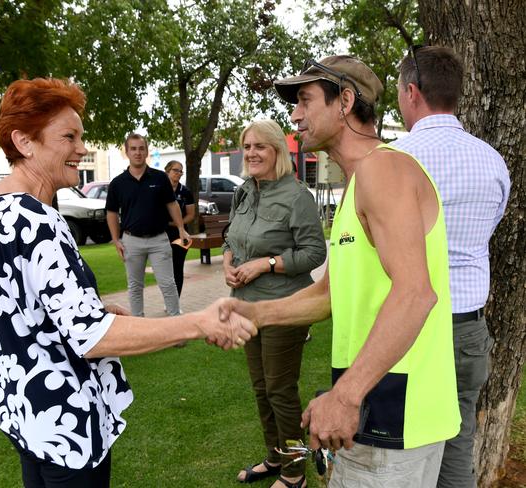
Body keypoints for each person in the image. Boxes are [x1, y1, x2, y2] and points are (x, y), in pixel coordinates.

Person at [0, 77, 257, 488]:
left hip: (25, 411)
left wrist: (91, 305)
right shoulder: (34, 219)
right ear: (24, 141)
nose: (82, 149)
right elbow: (90, 338)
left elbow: (17, 304)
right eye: (68, 137)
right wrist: (199, 322)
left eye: (81, 137)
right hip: (62, 418)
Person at [219, 55, 461, 487]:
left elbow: (415, 294)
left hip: (393, 409)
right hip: (376, 403)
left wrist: (346, 395)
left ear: (345, 101)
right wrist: (253, 315)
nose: (294, 114)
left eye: (305, 100)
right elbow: (329, 294)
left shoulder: (383, 170)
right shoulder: (358, 183)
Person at [392, 46, 510, 488]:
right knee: (458, 442)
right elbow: (488, 230)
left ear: (411, 92)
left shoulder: (396, 161)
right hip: (466, 326)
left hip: (408, 324)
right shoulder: (492, 161)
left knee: (400, 444)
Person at [225, 119, 326, 488]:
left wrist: (266, 264)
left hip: (286, 307)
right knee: (261, 388)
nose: (251, 153)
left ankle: (294, 472)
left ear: (277, 153)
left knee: (281, 391)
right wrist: (227, 261)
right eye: (247, 146)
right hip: (246, 306)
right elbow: (231, 238)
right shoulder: (244, 192)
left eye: (260, 147)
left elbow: (314, 252)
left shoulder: (297, 196)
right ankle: (274, 457)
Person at [105, 134, 189, 317]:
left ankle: (177, 326)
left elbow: (172, 204)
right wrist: (115, 239)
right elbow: (111, 212)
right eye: (133, 149)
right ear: (126, 152)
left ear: (146, 151)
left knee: (168, 284)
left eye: (141, 148)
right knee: (135, 287)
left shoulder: (160, 178)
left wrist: (181, 228)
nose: (137, 152)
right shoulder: (118, 183)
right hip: (131, 241)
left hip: (159, 240)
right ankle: (138, 327)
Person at [164, 160, 195, 298]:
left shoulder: (186, 192)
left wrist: (177, 224)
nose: (179, 173)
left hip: (180, 234)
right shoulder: (160, 190)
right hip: (161, 234)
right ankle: (168, 300)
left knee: (177, 268)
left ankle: (176, 300)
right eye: (175, 170)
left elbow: (191, 215)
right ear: (167, 171)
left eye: (181, 171)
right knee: (165, 270)